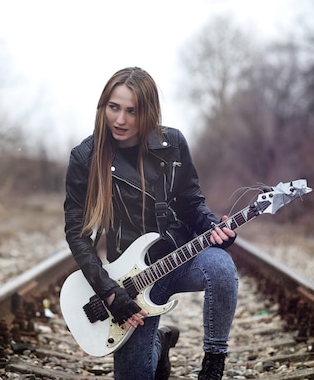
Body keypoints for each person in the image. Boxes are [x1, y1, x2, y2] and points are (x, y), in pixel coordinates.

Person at [64, 66, 238, 380]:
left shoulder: (173, 144)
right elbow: (77, 233)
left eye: (131, 111)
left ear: (148, 113)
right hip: (132, 278)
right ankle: (159, 342)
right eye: (113, 108)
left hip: (180, 256)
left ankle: (213, 363)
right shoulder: (85, 158)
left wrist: (215, 227)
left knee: (222, 267)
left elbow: (192, 202)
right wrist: (109, 292)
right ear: (103, 106)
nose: (120, 120)